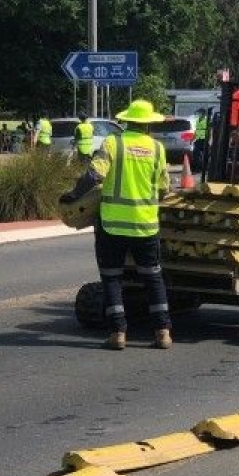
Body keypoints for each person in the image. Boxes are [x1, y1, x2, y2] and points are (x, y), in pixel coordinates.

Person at [60, 99, 172, 350]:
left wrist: (74, 195)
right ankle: (163, 332)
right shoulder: (157, 148)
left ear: (127, 121)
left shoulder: (113, 143)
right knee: (153, 278)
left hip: (113, 226)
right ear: (147, 125)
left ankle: (118, 333)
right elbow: (164, 188)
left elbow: (93, 175)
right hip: (146, 225)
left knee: (112, 279)